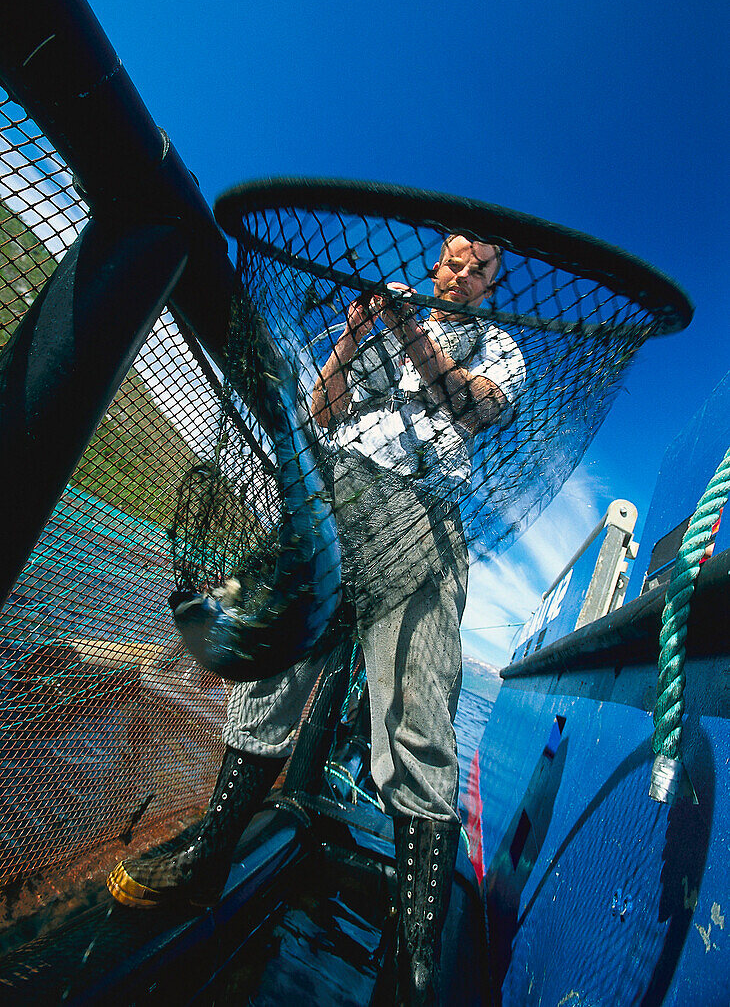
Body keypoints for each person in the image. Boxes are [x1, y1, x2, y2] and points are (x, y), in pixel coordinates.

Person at [108, 234, 525, 1004]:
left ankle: (415, 951)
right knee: (268, 671)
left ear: (493, 285)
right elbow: (319, 412)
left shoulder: (499, 346)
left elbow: (475, 404)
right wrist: (353, 336)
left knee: (416, 715)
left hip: (424, 523)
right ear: (436, 264)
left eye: (479, 270)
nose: (461, 275)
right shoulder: (380, 324)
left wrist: (409, 333)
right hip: (333, 502)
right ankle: (210, 858)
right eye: (453, 262)